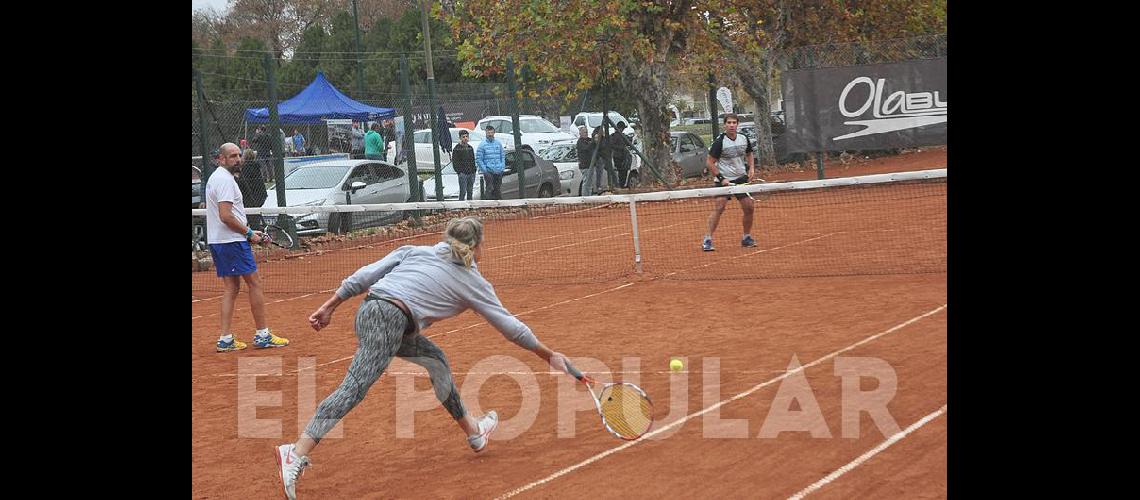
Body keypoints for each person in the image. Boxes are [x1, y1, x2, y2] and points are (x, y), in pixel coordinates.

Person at [273, 217, 580, 499]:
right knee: (353, 388)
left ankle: (474, 433)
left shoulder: (417, 251)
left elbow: (365, 275)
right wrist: (548, 355)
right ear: (477, 246)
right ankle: (296, 451)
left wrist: (331, 305)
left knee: (436, 361)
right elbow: (511, 327)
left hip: (371, 311)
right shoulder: (471, 282)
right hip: (390, 318)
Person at [204, 142, 291, 352]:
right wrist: (249, 234)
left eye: (239, 155)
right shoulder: (225, 180)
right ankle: (262, 335)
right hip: (231, 241)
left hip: (221, 241)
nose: (237, 159)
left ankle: (225, 339)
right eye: (232, 156)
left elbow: (230, 215)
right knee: (254, 283)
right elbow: (225, 216)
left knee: (231, 288)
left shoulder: (217, 177)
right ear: (221, 159)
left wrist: (251, 231)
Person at [702, 113, 757, 251]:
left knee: (749, 207)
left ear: (737, 124)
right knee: (719, 207)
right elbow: (709, 162)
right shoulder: (720, 142)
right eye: (729, 123)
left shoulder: (744, 139)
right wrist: (722, 178)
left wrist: (751, 169)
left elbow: (749, 153)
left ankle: (746, 237)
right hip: (723, 179)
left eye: (734, 123)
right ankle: (707, 239)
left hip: (741, 179)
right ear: (725, 125)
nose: (732, 125)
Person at [237, 148, 269, 230]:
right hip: (260, 195)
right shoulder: (256, 166)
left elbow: (242, 182)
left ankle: (256, 232)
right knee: (255, 216)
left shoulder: (247, 167)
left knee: (252, 217)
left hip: (251, 196)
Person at [475, 125, 505, 200]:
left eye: (492, 132)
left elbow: (502, 156)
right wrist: (485, 170)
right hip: (489, 171)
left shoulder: (498, 143)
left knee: (497, 190)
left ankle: (498, 207)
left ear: (494, 133)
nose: (490, 134)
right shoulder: (482, 145)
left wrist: (502, 167)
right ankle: (488, 206)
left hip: (498, 170)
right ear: (486, 133)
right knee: (490, 189)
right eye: (488, 133)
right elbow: (479, 159)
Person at [452, 129, 477, 200]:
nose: (465, 138)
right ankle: (461, 207)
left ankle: (470, 207)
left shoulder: (470, 148)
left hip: (471, 173)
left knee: (470, 191)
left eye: (466, 136)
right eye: (463, 137)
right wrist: (460, 172)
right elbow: (455, 162)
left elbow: (472, 160)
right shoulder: (457, 149)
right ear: (460, 138)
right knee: (463, 191)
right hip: (463, 174)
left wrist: (473, 170)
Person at [609, 122, 633, 188]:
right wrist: (621, 148)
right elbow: (612, 145)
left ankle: (621, 184)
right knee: (622, 172)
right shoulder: (615, 136)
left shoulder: (620, 136)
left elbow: (629, 142)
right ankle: (621, 185)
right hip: (618, 156)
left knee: (622, 172)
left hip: (620, 156)